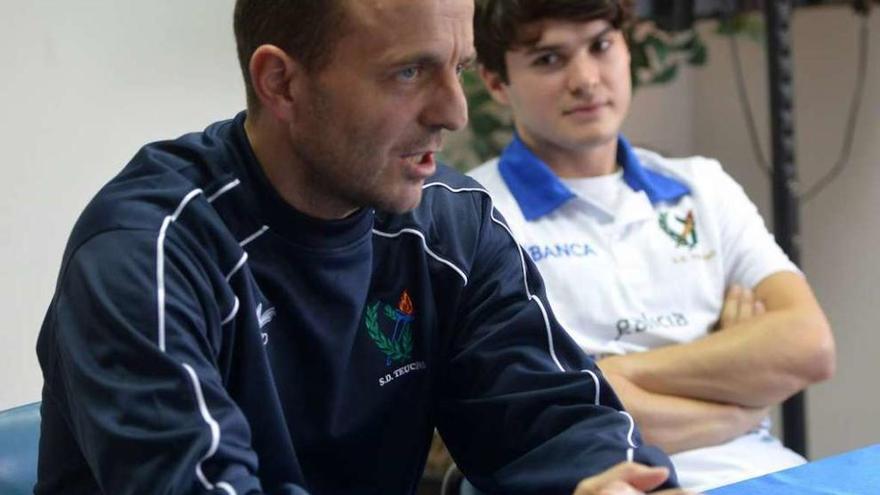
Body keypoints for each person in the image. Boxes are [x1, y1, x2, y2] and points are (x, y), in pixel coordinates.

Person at [33, 1, 692, 494]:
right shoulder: (148, 253)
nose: (455, 112)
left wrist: (600, 480)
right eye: (410, 72)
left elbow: (556, 421)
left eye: (458, 69)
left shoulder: (449, 227)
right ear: (281, 83)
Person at [467, 0, 836, 491]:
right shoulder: (476, 214)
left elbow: (808, 347)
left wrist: (615, 373)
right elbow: (549, 416)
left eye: (600, 46)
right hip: (620, 478)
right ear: (496, 83)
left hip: (770, 468)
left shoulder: (703, 185)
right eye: (548, 60)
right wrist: (735, 390)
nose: (586, 79)